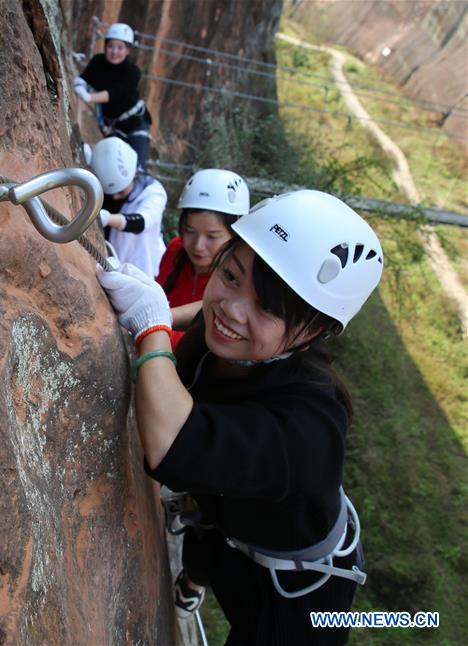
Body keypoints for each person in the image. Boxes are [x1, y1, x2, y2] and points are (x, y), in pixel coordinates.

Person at [98, 190, 383, 644]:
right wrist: (165, 313)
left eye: (268, 308)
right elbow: (210, 311)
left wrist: (152, 328)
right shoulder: (237, 339)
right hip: (231, 528)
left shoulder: (309, 429)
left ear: (310, 333)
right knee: (205, 542)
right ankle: (191, 586)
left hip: (298, 604)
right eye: (230, 275)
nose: (231, 309)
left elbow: (171, 443)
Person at [157, 169, 250, 348]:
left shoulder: (238, 282)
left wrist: (152, 326)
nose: (198, 245)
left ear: (236, 235)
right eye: (190, 232)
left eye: (212, 236)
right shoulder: (177, 250)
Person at [74, 22, 152, 167]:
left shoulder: (132, 72)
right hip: (112, 126)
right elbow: (84, 78)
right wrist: (79, 84)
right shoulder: (98, 62)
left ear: (128, 50)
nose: (114, 52)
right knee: (114, 166)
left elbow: (115, 93)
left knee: (136, 167)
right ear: (105, 46)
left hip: (134, 124)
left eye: (120, 47)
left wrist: (90, 97)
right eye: (110, 46)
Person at [91, 137, 167, 278]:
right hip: (114, 264)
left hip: (144, 270)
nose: (115, 198)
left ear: (134, 174)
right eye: (110, 194)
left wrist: (107, 219)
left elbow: (141, 222)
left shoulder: (153, 193)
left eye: (121, 191)